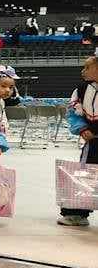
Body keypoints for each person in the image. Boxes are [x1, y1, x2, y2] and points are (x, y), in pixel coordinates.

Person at [58, 56, 97, 227]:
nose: (83, 71)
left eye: (87, 67)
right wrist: (82, 128)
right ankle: (77, 213)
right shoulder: (81, 90)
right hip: (93, 141)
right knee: (86, 173)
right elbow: (73, 113)